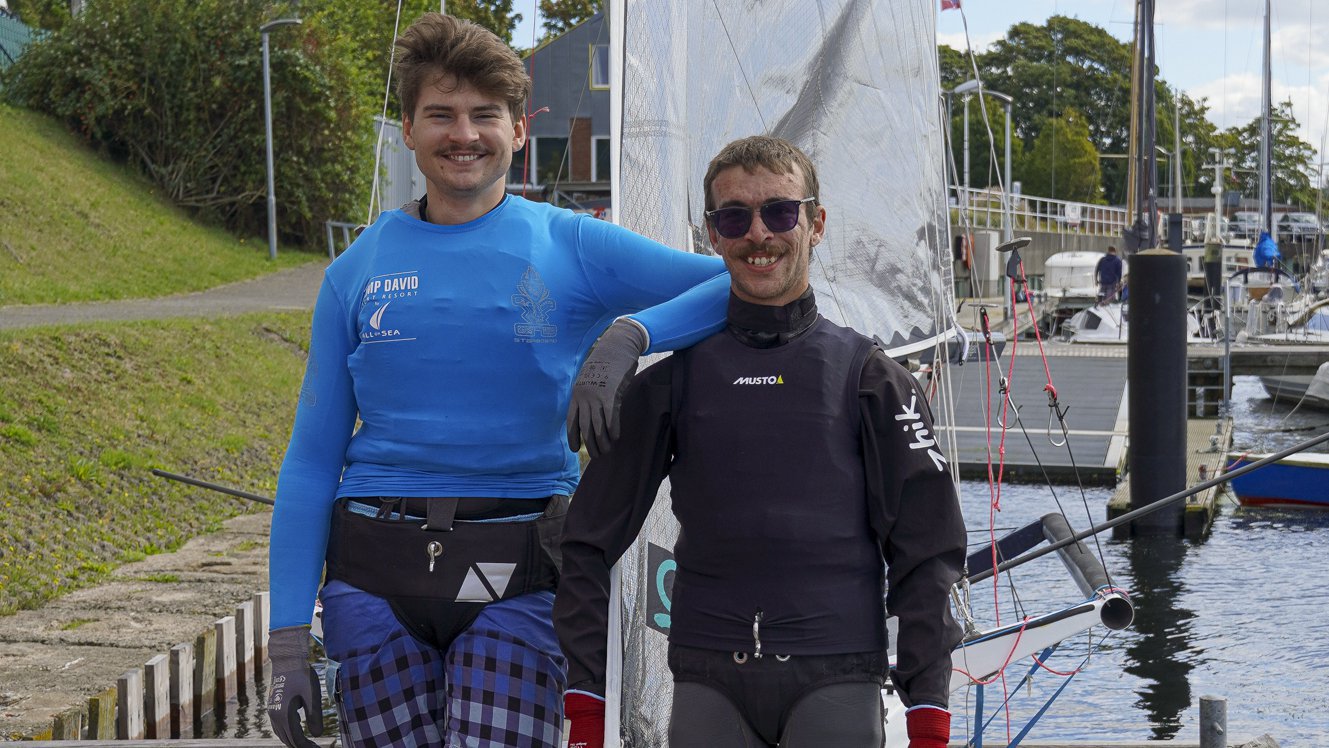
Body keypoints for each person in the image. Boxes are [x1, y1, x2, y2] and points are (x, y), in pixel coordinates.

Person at [262, 13, 731, 748]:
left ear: (518, 128)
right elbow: (313, 459)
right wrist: (288, 635)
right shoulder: (356, 269)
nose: (463, 134)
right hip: (372, 577)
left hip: (522, 574)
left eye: (485, 115)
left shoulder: (568, 242)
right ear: (409, 130)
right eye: (440, 115)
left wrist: (630, 335)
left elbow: (733, 282)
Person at [553, 136, 967, 748]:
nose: (759, 234)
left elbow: (927, 554)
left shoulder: (873, 379)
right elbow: (584, 544)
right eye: (734, 217)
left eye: (779, 212)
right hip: (708, 679)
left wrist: (927, 716)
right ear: (712, 234)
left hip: (837, 674)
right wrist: (588, 707)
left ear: (815, 223)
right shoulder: (672, 382)